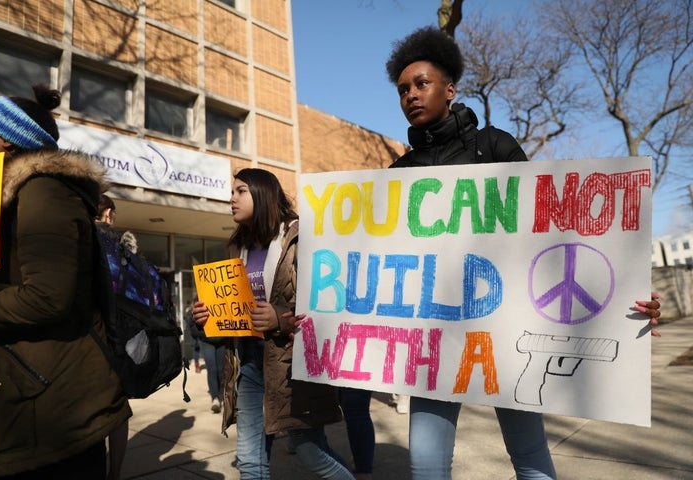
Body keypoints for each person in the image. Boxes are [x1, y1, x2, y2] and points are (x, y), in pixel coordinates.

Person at [384, 26, 663, 480]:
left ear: (450, 89)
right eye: (403, 90)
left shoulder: (494, 147)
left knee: (530, 460)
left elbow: (554, 236)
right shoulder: (397, 173)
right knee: (425, 468)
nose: (411, 95)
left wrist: (629, 299)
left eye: (422, 84)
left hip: (504, 333)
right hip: (435, 337)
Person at [0, 85, 130, 479]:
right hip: (20, 402)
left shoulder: (43, 191)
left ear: (4, 141)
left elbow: (46, 298)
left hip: (51, 413)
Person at [192, 168, 353, 479]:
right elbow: (237, 305)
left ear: (262, 193)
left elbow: (328, 303)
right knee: (251, 460)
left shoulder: (299, 237)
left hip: (291, 363)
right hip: (248, 361)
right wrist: (209, 315)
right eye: (232, 192)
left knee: (311, 451)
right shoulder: (238, 244)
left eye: (240, 191)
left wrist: (279, 318)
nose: (232, 199)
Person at [94, 193, 132, 480]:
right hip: (114, 338)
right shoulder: (112, 246)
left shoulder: (76, 236)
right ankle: (114, 473)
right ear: (107, 214)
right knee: (118, 410)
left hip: (86, 336)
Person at [185, 298, 225, 412]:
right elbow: (192, 325)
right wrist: (202, 334)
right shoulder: (201, 298)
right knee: (212, 369)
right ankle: (215, 398)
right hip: (206, 341)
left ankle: (221, 394)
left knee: (221, 370)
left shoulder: (222, 297)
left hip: (222, 339)